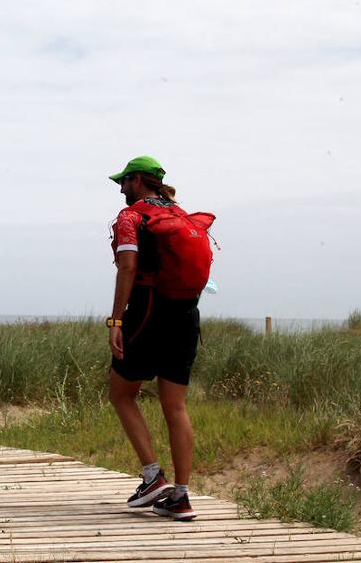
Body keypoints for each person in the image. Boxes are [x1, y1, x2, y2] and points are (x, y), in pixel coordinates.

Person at [106, 156, 200, 521]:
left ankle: (152, 476)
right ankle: (181, 494)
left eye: (125, 181)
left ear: (140, 180)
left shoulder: (130, 217)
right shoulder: (181, 215)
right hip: (186, 313)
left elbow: (128, 266)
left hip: (147, 309)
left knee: (120, 392)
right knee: (175, 405)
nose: (121, 188)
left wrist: (116, 319)